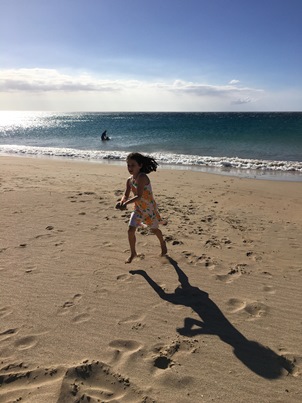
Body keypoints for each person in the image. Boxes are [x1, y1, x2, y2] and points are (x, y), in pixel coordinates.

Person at [116, 152, 167, 263]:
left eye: (133, 165)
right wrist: (121, 201)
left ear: (140, 165)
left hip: (149, 209)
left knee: (154, 229)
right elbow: (126, 194)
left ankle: (162, 243)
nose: (130, 168)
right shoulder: (129, 180)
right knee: (130, 230)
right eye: (128, 165)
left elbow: (139, 196)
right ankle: (133, 253)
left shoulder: (142, 177)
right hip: (138, 209)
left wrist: (126, 204)